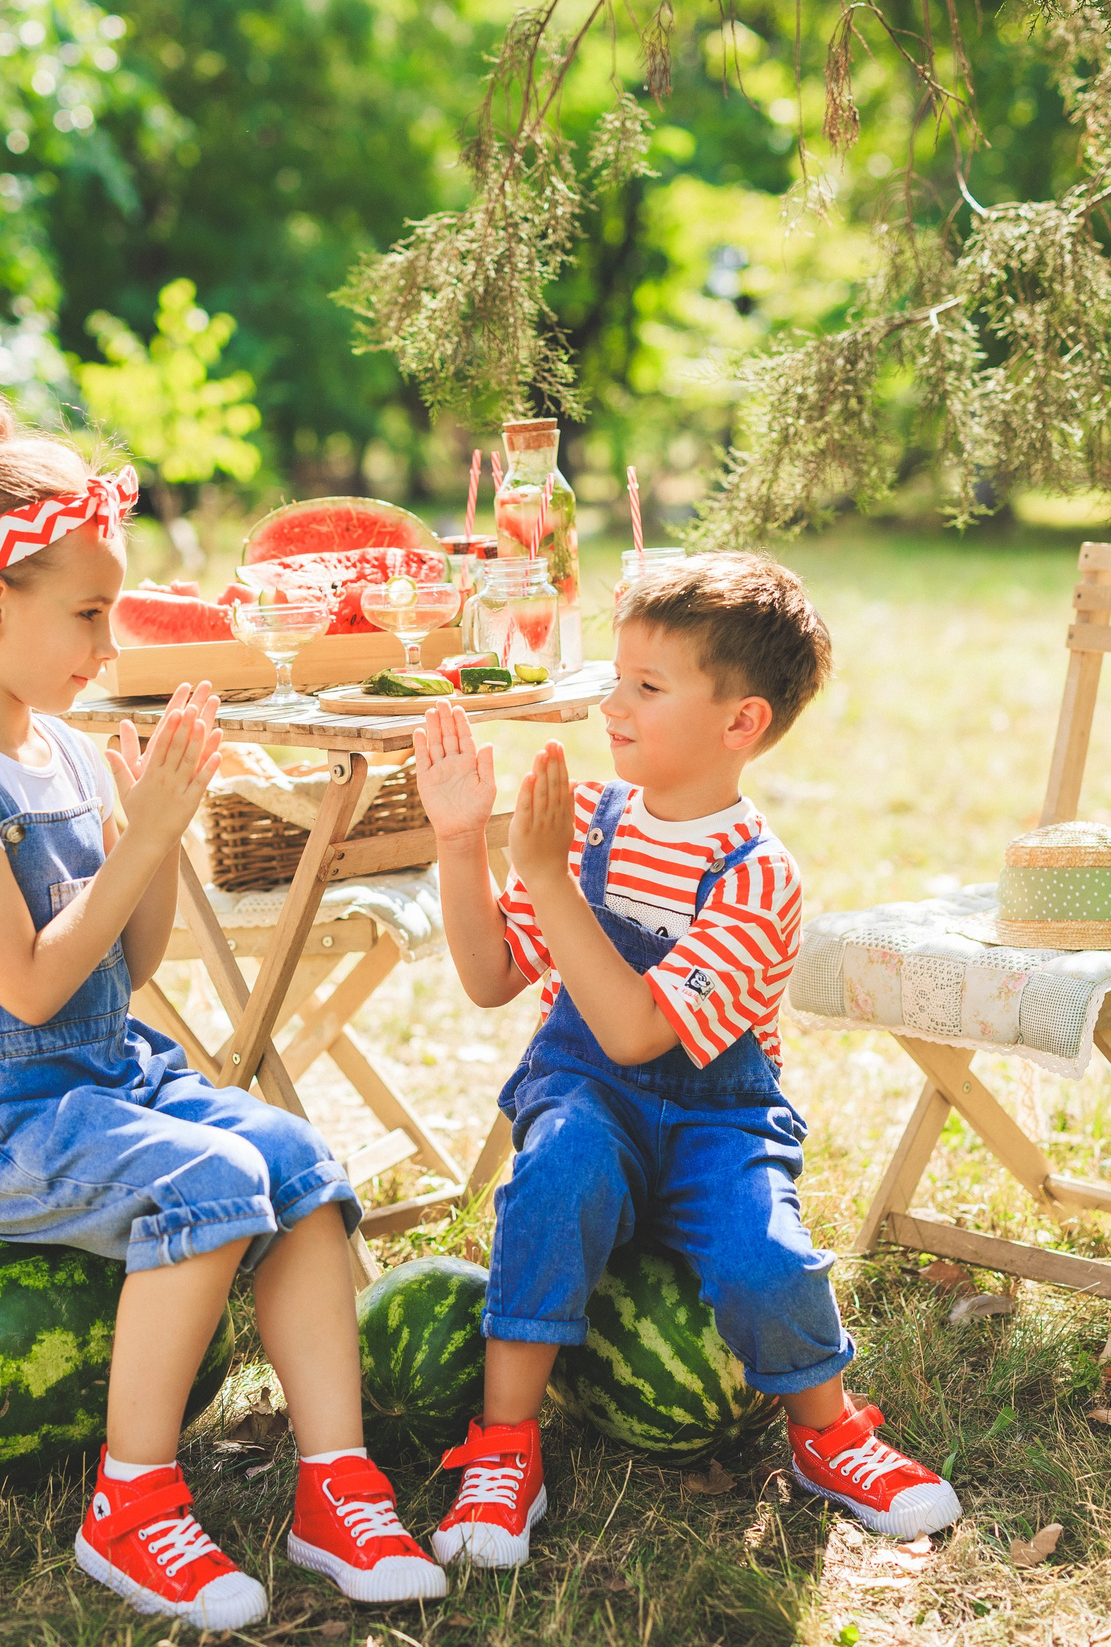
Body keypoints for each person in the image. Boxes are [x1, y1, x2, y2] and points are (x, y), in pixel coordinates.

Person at [0, 393, 444, 1628]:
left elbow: (142, 953)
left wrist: (149, 834)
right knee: (213, 1183)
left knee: (298, 1163)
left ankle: (336, 1484)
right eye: (87, 613)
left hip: (103, 1071)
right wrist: (148, 835)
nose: (108, 644)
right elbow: (24, 983)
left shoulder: (60, 751)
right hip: (1, 1119)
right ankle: (132, 1502)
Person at [408, 552, 963, 1566]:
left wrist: (541, 873)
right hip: (585, 1090)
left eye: (646, 687)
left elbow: (636, 1029)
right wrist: (459, 841)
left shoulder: (758, 877)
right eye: (615, 677)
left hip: (716, 1117)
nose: (610, 705)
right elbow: (493, 977)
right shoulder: (583, 826)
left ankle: (829, 1435)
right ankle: (503, 1446)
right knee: (557, 1175)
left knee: (765, 1257)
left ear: (739, 721)